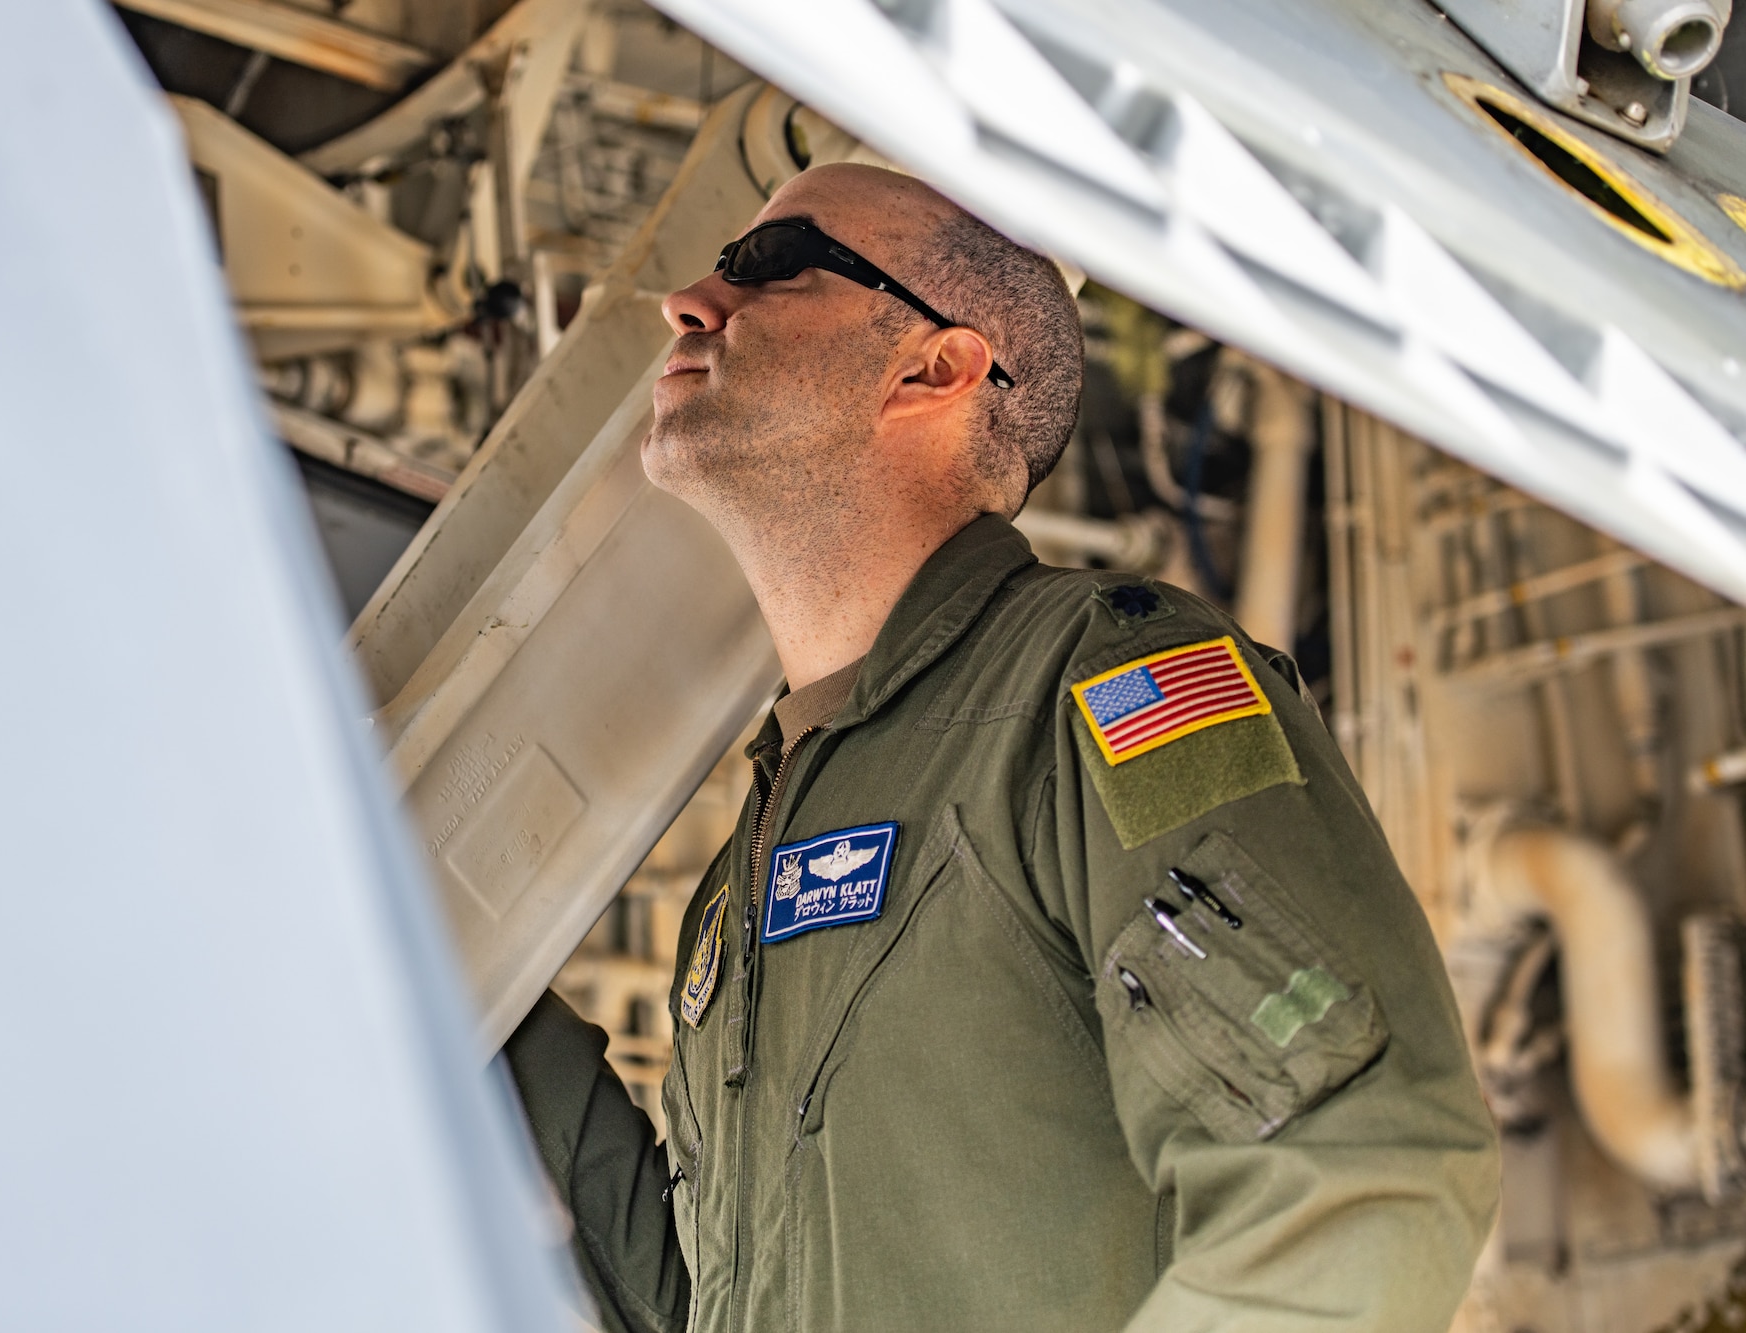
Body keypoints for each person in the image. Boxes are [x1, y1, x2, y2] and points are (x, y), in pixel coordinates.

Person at [502, 162, 1498, 1333]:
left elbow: (1363, 1174)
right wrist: (401, 953)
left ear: (936, 366)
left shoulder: (1097, 684)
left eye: (768, 266)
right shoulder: (766, 843)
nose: (689, 299)